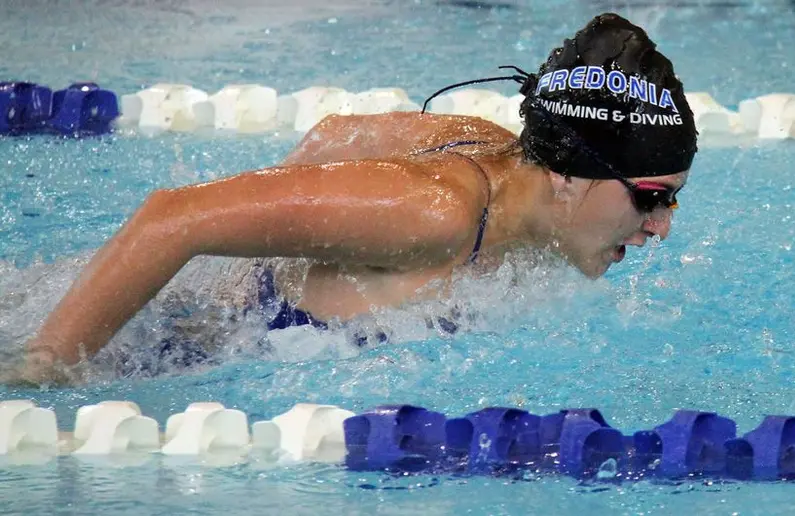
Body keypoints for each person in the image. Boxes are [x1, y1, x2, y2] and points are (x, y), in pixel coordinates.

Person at [10, 12, 697, 386]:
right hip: (149, 332)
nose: (661, 227)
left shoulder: (495, 153)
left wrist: (292, 228)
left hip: (151, 304)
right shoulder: (435, 214)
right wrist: (46, 369)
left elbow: (335, 133)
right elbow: (173, 216)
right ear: (570, 174)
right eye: (650, 199)